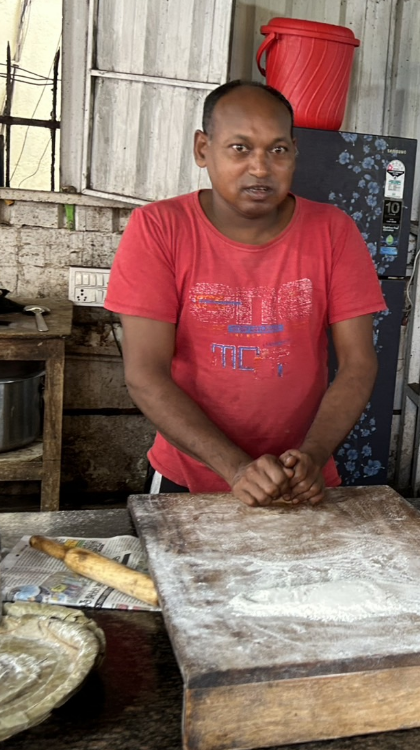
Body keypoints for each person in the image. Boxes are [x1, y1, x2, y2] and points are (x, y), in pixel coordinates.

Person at [104, 81, 386, 507]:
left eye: (277, 150)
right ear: (203, 149)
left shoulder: (333, 231)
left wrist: (313, 455)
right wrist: (235, 468)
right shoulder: (159, 229)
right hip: (191, 477)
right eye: (240, 148)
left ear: (294, 152)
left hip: (302, 477)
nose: (260, 168)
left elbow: (358, 363)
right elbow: (145, 374)